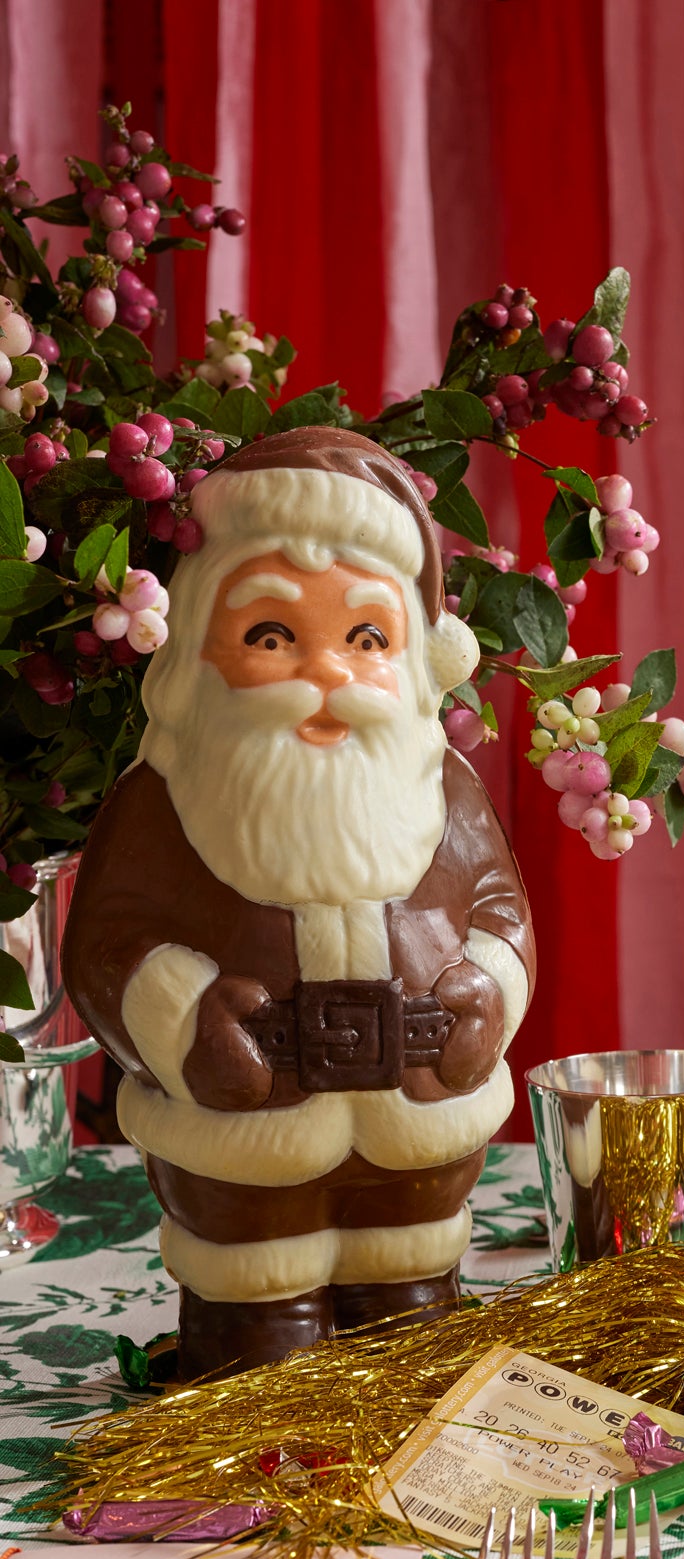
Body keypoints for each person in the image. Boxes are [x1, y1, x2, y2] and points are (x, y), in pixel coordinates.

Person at [64, 428, 535, 1379]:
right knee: (256, 1310)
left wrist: (488, 986)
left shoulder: (441, 787)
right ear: (197, 652)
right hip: (239, 1151)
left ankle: (408, 1329)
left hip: (419, 1131)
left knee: (410, 1302)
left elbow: (499, 904)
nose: (328, 671)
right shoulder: (164, 796)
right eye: (272, 635)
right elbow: (107, 943)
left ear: (417, 654)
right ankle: (253, 1352)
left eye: (366, 637)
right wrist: (187, 1015)